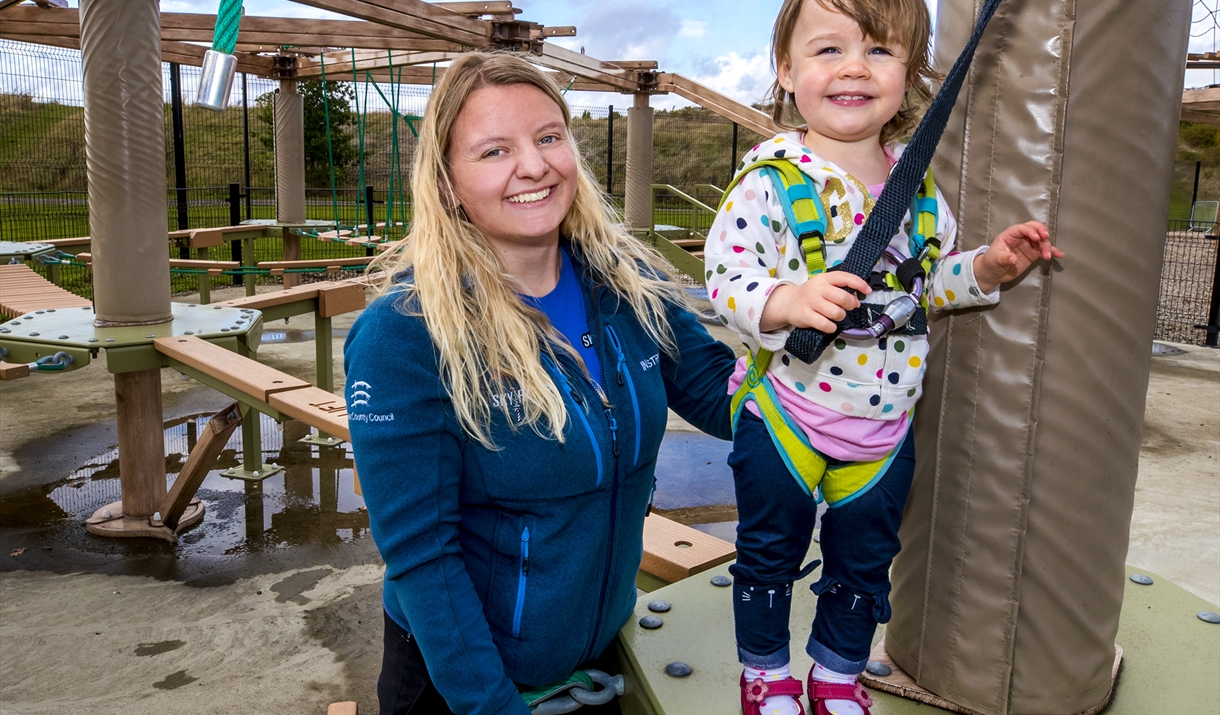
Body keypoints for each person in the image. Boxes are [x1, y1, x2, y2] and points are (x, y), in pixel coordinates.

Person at [344, 52, 737, 715]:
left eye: (549, 137)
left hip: (598, 658)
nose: (534, 165)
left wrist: (837, 354)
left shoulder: (627, 287)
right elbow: (422, 556)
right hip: (461, 684)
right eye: (495, 150)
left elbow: (728, 398)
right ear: (446, 183)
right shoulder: (406, 334)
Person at [704, 1, 1064, 714]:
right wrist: (787, 301)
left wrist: (988, 267)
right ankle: (765, 672)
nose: (852, 69)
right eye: (828, 50)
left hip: (881, 426)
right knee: (768, 555)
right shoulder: (771, 180)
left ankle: (836, 673)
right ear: (787, 71)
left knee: (864, 566)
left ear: (909, 74)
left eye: (878, 52)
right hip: (788, 415)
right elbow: (727, 275)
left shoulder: (920, 192)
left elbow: (927, 285)